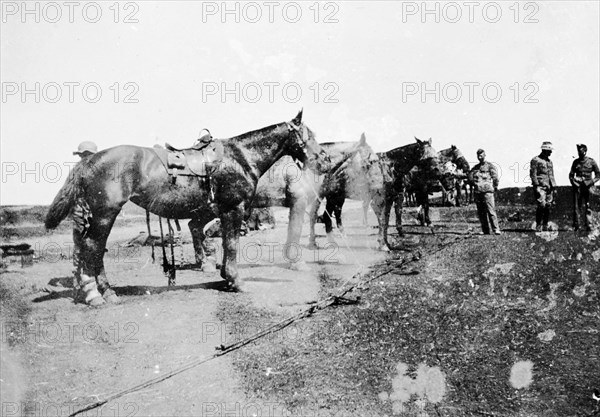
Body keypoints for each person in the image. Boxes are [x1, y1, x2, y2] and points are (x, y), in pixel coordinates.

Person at [468, 149, 501, 235]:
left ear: (484, 155)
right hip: (478, 192)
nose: (480, 157)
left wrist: (495, 187)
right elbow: (470, 177)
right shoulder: (475, 168)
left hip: (487, 192)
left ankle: (496, 229)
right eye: (478, 155)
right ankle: (485, 230)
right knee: (481, 212)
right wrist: (474, 183)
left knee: (491, 211)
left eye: (481, 155)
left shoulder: (490, 166)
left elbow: (495, 178)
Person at [569, 143, 600, 232]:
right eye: (578, 151)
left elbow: (598, 175)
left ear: (585, 151)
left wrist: (591, 182)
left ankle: (589, 225)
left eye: (581, 151)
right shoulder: (575, 162)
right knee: (576, 206)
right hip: (578, 187)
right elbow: (571, 175)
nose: (580, 153)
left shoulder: (591, 161)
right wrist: (574, 183)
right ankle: (576, 225)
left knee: (588, 206)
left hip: (588, 187)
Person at [530, 141, 557, 232]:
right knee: (541, 205)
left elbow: (551, 175)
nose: (551, 152)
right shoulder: (536, 160)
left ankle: (545, 225)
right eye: (549, 150)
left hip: (549, 187)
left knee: (548, 206)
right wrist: (536, 186)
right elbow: (533, 174)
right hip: (540, 186)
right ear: (544, 150)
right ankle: (538, 225)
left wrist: (554, 187)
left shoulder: (550, 162)